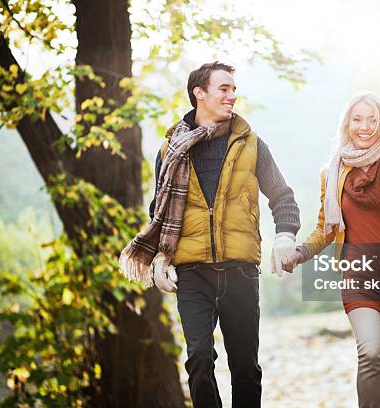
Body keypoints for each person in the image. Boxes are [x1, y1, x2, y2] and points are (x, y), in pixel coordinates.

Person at [119, 61, 300, 408]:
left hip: (240, 271)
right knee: (199, 360)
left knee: (245, 367)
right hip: (191, 273)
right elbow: (160, 209)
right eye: (224, 88)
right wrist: (159, 259)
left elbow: (282, 197)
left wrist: (285, 236)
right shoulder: (170, 150)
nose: (233, 95)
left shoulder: (250, 144)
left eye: (234, 88)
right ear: (199, 93)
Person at [283, 92, 380, 408]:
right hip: (358, 276)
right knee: (370, 353)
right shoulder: (334, 172)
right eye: (357, 119)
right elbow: (326, 228)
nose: (364, 126)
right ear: (347, 124)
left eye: (372, 120)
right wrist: (300, 252)